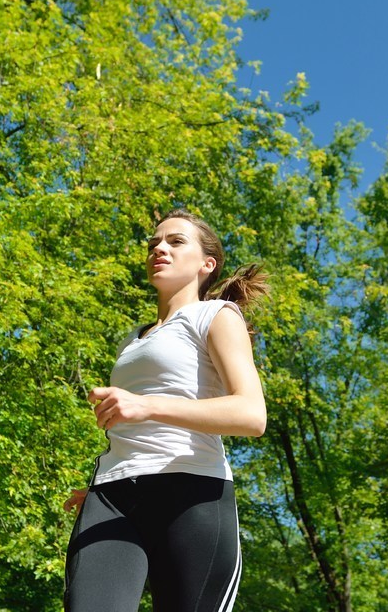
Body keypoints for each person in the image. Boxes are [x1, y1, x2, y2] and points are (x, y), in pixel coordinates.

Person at [63, 208, 268, 612]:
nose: (159, 247)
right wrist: (116, 477)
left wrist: (147, 405)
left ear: (206, 264)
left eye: (176, 241)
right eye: (154, 242)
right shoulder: (132, 339)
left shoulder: (216, 316)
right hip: (114, 495)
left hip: (191, 494)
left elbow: (251, 414)